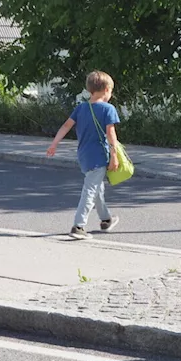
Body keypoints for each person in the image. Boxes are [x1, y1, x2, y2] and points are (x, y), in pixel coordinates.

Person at [46, 70, 123, 239]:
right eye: (111, 91)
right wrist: (114, 155)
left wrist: (54, 143)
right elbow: (111, 134)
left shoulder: (81, 108)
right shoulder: (108, 109)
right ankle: (78, 226)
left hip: (83, 155)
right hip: (99, 156)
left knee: (96, 188)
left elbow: (66, 125)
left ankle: (106, 219)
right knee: (90, 189)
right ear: (106, 90)